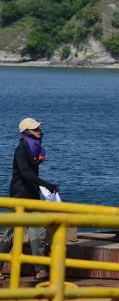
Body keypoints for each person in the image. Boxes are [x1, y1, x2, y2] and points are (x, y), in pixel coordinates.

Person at [0, 118, 59, 281]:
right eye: (35, 129)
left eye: (39, 128)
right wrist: (46, 184)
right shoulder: (21, 149)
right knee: (10, 236)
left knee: (37, 232)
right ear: (26, 132)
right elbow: (25, 173)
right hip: (19, 197)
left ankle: (39, 269)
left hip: (32, 196)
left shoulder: (35, 149)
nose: (39, 131)